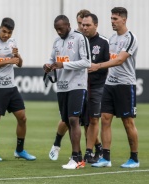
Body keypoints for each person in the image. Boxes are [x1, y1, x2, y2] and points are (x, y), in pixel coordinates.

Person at [90, 7, 139, 168]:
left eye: (115, 19)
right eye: (111, 19)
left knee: (128, 122)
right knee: (105, 119)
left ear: (124, 20)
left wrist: (98, 66)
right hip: (109, 85)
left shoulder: (130, 38)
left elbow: (119, 60)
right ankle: (106, 158)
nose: (112, 22)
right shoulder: (111, 38)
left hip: (125, 85)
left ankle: (134, 159)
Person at [0, 17, 36, 162]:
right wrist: (8, 60)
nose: (6, 35)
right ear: (0, 28)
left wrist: (17, 56)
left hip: (11, 87)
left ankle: (19, 150)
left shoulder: (13, 42)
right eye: (4, 31)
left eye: (9, 33)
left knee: (22, 118)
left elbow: (19, 64)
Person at [44, 15, 91, 169]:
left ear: (68, 25)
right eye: (56, 29)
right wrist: (48, 66)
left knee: (73, 120)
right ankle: (75, 157)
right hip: (62, 86)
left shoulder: (79, 38)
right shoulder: (57, 42)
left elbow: (86, 62)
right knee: (69, 122)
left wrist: (63, 65)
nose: (58, 32)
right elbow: (53, 60)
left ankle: (76, 159)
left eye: (61, 28)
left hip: (77, 85)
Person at [81, 13, 109, 163]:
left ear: (96, 25)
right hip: (79, 87)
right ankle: (96, 149)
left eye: (88, 25)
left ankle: (88, 152)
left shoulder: (104, 42)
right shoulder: (79, 40)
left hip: (97, 87)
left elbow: (110, 65)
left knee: (93, 120)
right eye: (83, 25)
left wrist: (96, 68)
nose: (84, 28)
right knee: (82, 121)